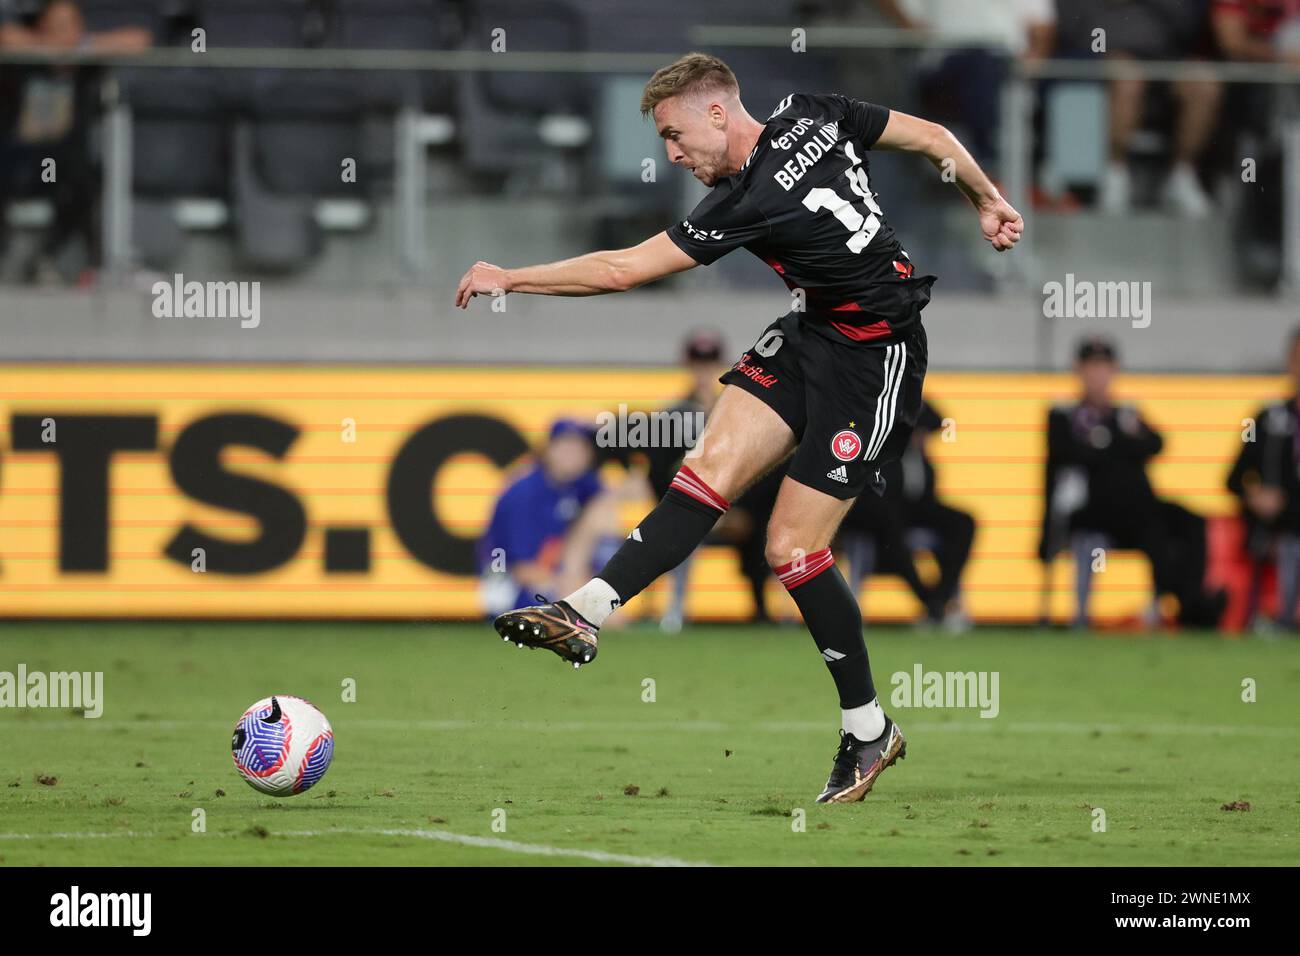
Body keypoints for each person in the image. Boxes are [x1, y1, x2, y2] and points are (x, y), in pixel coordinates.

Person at [456, 52, 1022, 803]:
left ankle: (867, 729)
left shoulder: (744, 200)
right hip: (811, 331)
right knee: (706, 469)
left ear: (718, 113)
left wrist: (512, 277)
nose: (671, 155)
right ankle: (587, 608)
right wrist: (987, 199)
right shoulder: (812, 110)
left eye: (674, 134)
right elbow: (931, 136)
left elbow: (623, 271)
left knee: (791, 547)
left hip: (874, 358)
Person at [1039, 337, 1227, 627]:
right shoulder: (1064, 415)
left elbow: (1156, 444)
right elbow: (1067, 454)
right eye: (1092, 367)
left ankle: (1189, 597)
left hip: (1139, 509)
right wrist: (1122, 442)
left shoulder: (1126, 413)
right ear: (1078, 370)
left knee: (1189, 520)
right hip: (1093, 513)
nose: (1098, 375)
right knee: (1153, 529)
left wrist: (1110, 443)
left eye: (1104, 368)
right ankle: (1188, 603)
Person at [0, 0, 151, 283]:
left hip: (63, 162)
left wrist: (80, 45)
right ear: (41, 28)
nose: (64, 34)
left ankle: (60, 260)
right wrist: (45, 47)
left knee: (84, 178)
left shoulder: (84, 67)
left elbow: (139, 40)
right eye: (55, 26)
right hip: (19, 159)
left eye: (70, 26)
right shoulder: (23, 66)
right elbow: (6, 37)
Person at [640, 330, 781, 628]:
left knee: (761, 530)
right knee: (680, 532)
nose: (703, 371)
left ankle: (762, 610)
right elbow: (657, 475)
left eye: (709, 362)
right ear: (687, 365)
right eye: (698, 363)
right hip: (688, 508)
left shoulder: (737, 412)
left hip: (733, 510)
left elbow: (757, 472)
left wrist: (737, 513)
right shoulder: (672, 417)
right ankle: (674, 611)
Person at [477, 419, 638, 619]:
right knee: (604, 616)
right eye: (566, 446)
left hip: (552, 573)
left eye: (580, 448)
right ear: (548, 450)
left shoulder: (580, 483)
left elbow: (634, 491)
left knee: (603, 508)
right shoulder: (525, 492)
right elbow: (522, 567)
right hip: (511, 587)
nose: (573, 454)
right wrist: (573, 589)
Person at [1227, 326, 1300, 630]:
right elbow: (1233, 479)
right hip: (1278, 529)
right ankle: (1282, 621)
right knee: (1290, 543)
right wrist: (1255, 495)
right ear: (1290, 363)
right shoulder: (1268, 420)